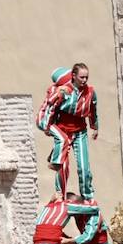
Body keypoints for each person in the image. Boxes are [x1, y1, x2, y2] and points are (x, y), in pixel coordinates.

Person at [37, 64, 99, 199]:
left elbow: (93, 110)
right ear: (74, 76)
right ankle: (60, 194)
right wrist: (47, 126)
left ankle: (87, 196)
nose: (84, 80)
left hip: (80, 132)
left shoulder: (90, 91)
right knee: (63, 166)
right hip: (63, 130)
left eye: (86, 77)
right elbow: (51, 107)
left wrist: (94, 127)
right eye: (82, 77)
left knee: (84, 167)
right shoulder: (64, 90)